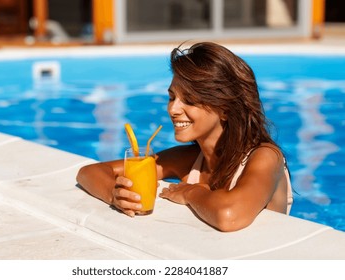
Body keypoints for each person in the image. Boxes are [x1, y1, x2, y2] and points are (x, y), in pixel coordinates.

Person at [76, 42, 293, 232]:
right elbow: (89, 172)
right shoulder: (189, 159)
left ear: (225, 108)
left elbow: (229, 215)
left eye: (189, 100)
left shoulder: (265, 157)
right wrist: (115, 195)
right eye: (172, 97)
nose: (173, 109)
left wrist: (191, 192)